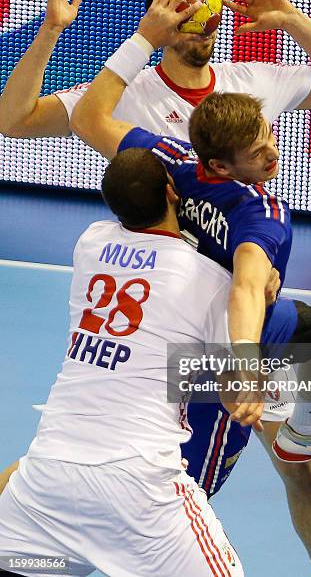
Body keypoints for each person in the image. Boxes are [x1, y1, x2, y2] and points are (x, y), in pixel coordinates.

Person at [0, 0, 311, 576]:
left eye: (202, 3)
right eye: (177, 5)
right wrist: (51, 32)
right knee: (122, 474)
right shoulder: (128, 92)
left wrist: (287, 17)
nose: (195, 16)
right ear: (158, 12)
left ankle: (309, 447)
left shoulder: (247, 86)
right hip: (181, 328)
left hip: (235, 320)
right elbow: (14, 120)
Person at [0, 112, 253, 575]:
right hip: (141, 493)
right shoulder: (212, 280)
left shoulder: (89, 243)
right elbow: (228, 375)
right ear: (174, 193)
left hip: (46, 481)